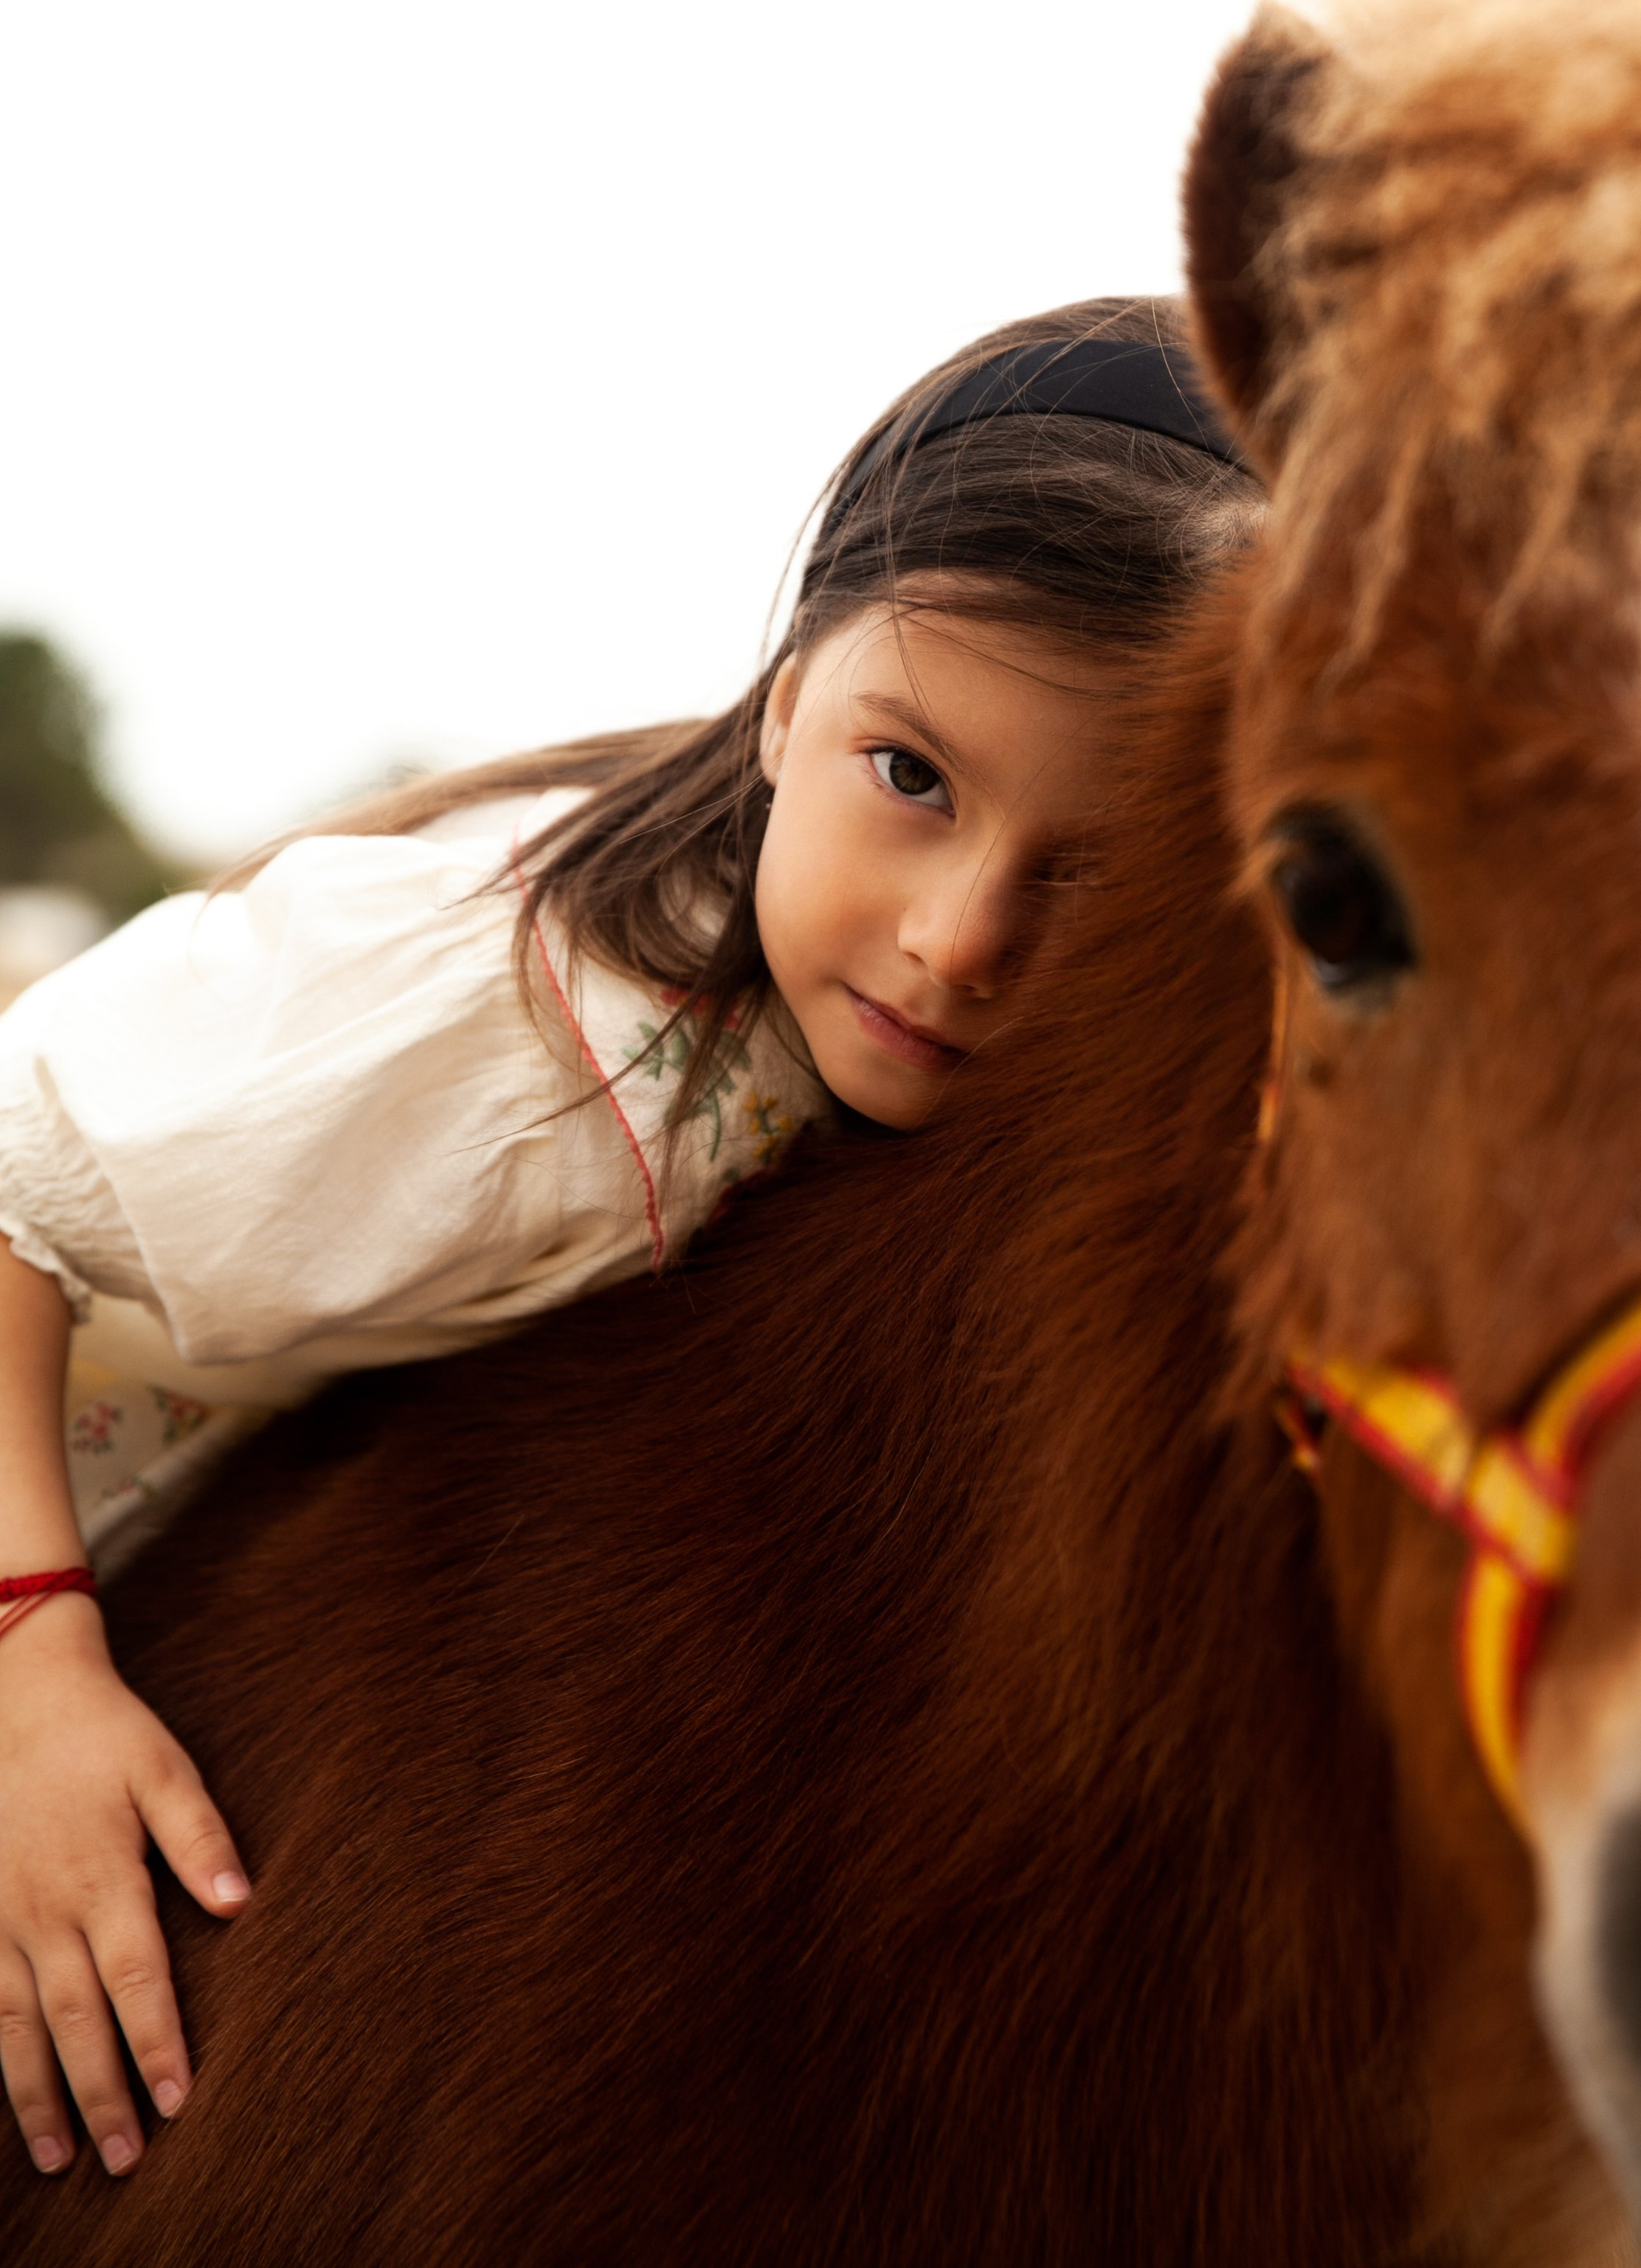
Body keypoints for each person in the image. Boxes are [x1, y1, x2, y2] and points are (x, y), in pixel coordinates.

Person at [0, 297, 1256, 2182]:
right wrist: (31, 1667)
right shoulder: (501, 1013)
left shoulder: (905, 1040)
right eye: (911, 777)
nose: (962, 940)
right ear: (784, 702)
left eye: (1100, 868)